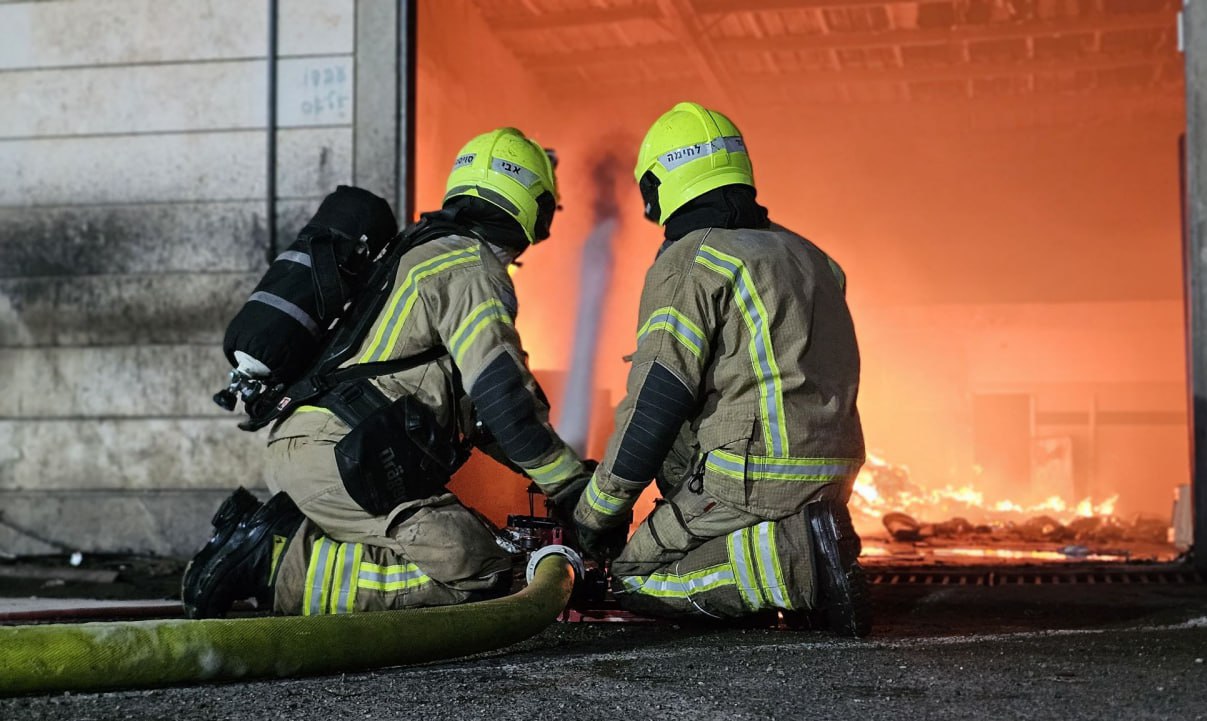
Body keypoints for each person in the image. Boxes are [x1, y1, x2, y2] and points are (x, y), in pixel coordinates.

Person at [184, 127, 592, 617]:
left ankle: (277, 534)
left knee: (483, 547)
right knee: (475, 565)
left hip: (332, 454)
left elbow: (486, 421)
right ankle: (278, 562)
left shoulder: (423, 252)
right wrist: (572, 489)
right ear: (533, 205)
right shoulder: (468, 264)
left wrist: (561, 478)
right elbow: (504, 398)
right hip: (345, 459)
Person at [571, 102, 871, 636]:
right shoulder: (814, 257)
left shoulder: (692, 258)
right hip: (833, 474)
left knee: (635, 575)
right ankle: (791, 543)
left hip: (754, 475)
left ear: (659, 186)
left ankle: (794, 566)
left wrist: (597, 513)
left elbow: (658, 400)